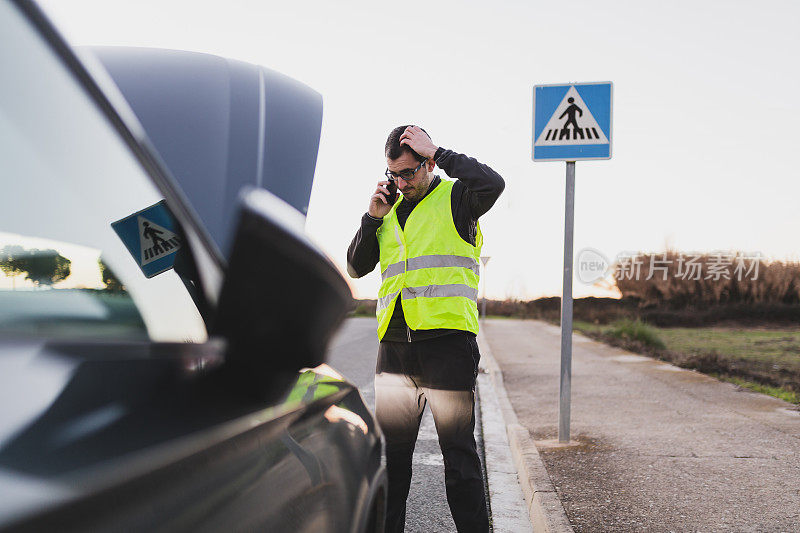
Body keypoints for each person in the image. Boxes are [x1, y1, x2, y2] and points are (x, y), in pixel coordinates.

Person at [347, 125, 504, 533]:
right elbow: (356, 266)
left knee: (459, 458)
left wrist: (442, 150)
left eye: (409, 173)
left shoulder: (457, 198)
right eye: (393, 174)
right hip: (395, 350)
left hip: (447, 346)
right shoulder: (388, 212)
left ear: (429, 163)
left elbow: (494, 184)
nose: (400, 182)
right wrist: (371, 217)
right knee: (393, 462)